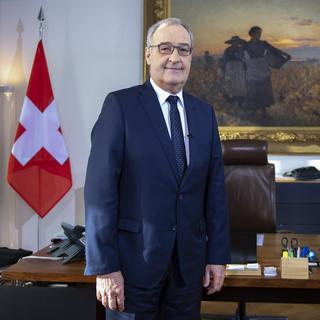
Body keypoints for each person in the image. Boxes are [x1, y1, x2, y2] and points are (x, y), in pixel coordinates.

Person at [84, 17, 230, 320]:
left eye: (183, 50)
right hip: (131, 268)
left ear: (191, 58)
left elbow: (215, 191)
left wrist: (217, 256)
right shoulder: (120, 106)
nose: (175, 57)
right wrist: (105, 267)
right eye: (165, 48)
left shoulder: (204, 114)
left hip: (187, 271)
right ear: (149, 54)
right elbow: (100, 194)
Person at [244, 26, 291, 117]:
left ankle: (263, 110)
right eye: (257, 33)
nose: (259, 35)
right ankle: (253, 109)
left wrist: (285, 54)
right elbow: (241, 54)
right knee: (253, 89)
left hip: (262, 67)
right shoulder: (246, 45)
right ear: (252, 34)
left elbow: (274, 50)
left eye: (260, 33)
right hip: (252, 67)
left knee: (264, 88)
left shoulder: (263, 43)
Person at [220, 36, 247, 107]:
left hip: (239, 67)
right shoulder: (227, 50)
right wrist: (223, 68)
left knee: (240, 83)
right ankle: (232, 100)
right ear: (231, 43)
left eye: (237, 42)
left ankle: (240, 101)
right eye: (234, 42)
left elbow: (244, 59)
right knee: (231, 82)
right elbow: (224, 60)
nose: (235, 43)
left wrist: (244, 66)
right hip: (230, 67)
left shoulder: (241, 49)